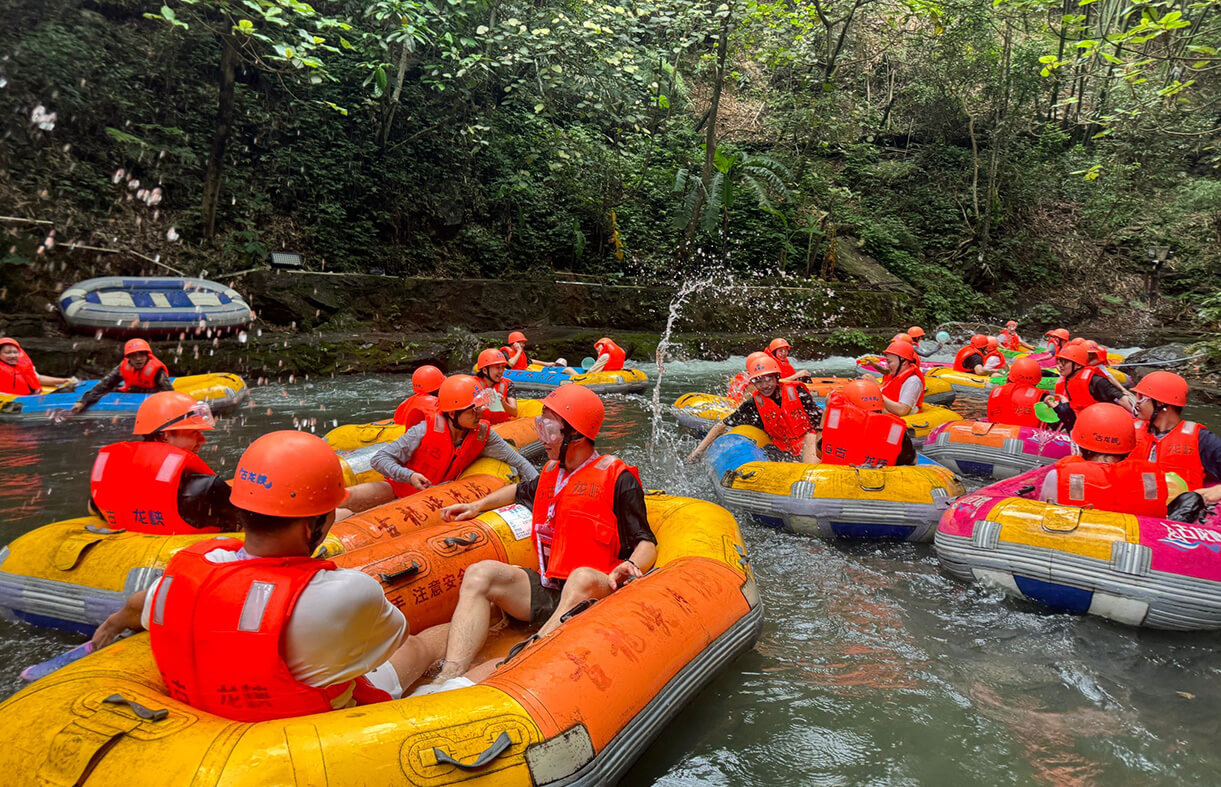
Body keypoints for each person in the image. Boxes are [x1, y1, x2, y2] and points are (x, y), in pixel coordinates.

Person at [89, 431, 449, 720]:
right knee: (423, 643)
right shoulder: (350, 593)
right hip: (309, 725)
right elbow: (394, 637)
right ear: (319, 524)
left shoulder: (182, 572)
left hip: (206, 714)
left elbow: (141, 605)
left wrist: (117, 620)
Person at [428, 385, 656, 684]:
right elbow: (519, 491)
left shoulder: (618, 479)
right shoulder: (551, 473)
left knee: (581, 578)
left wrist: (631, 566)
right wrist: (477, 505)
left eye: (549, 430)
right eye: (540, 427)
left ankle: (528, 658)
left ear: (575, 434)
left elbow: (646, 541)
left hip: (596, 588)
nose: (541, 438)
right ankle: (448, 676)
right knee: (480, 573)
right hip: (551, 585)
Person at [341, 375, 538, 516]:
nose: (480, 415)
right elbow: (379, 459)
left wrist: (539, 488)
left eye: (480, 409)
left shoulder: (484, 435)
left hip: (434, 501)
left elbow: (518, 462)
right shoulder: (423, 430)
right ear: (453, 413)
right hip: (401, 488)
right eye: (473, 411)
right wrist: (409, 476)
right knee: (342, 507)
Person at [89, 391, 237, 534]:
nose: (203, 440)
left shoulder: (114, 475)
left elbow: (95, 507)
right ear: (166, 436)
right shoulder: (206, 489)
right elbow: (248, 524)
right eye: (195, 432)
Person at [1038, 403, 1167, 518]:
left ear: (1079, 445)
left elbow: (1041, 517)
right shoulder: (1151, 478)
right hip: (1134, 541)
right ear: (1128, 446)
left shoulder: (1057, 477)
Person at [687, 355, 821, 464]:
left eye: (768, 380)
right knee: (768, 451)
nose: (764, 386)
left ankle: (811, 476)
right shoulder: (754, 405)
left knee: (811, 436)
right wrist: (697, 452)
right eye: (759, 381)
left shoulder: (797, 392)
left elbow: (818, 420)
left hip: (807, 443)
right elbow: (722, 424)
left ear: (776, 378)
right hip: (782, 449)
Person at [1131, 372, 1221, 502]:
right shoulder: (1129, 430)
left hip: (1179, 512)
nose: (1136, 403)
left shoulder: (1201, 439)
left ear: (1160, 403)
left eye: (1141, 397)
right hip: (1134, 506)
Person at [819, 379, 915, 467]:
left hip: (839, 479)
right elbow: (912, 461)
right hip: (879, 481)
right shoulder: (895, 429)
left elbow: (819, 453)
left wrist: (827, 410)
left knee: (811, 438)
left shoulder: (838, 426)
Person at [67, 338, 173, 417]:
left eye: (141, 355)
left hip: (150, 393)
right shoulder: (122, 367)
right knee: (109, 389)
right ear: (128, 358)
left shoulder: (157, 370)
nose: (138, 359)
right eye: (134, 356)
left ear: (147, 356)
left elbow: (168, 393)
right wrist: (83, 401)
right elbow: (104, 385)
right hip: (131, 390)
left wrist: (141, 390)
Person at [1044, 343, 1134, 432]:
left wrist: (1139, 415)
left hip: (1100, 425)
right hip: (1075, 422)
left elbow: (1121, 399)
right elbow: (1063, 408)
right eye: (1059, 362)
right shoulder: (1062, 381)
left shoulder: (1096, 381)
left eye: (1064, 362)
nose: (1059, 366)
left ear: (1078, 365)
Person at [0, 337, 74, 395]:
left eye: (15, 352)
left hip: (30, 396)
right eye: (7, 353)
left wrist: (63, 381)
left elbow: (38, 379)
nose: (13, 355)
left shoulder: (24, 365)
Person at [986, 357, 1045, 428]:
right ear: (1038, 378)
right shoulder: (1042, 396)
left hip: (996, 431)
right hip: (1025, 435)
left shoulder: (996, 391)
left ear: (1010, 375)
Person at [879, 340, 925, 417]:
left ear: (904, 362)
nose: (887, 366)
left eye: (889, 362)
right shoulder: (895, 376)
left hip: (900, 421)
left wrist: (877, 395)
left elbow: (902, 410)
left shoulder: (913, 381)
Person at [473, 349, 518, 425]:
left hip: (502, 426)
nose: (501, 371)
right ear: (485, 370)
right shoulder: (472, 384)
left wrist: (503, 403)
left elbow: (514, 412)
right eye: (497, 368)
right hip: (481, 425)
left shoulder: (509, 384)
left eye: (503, 367)